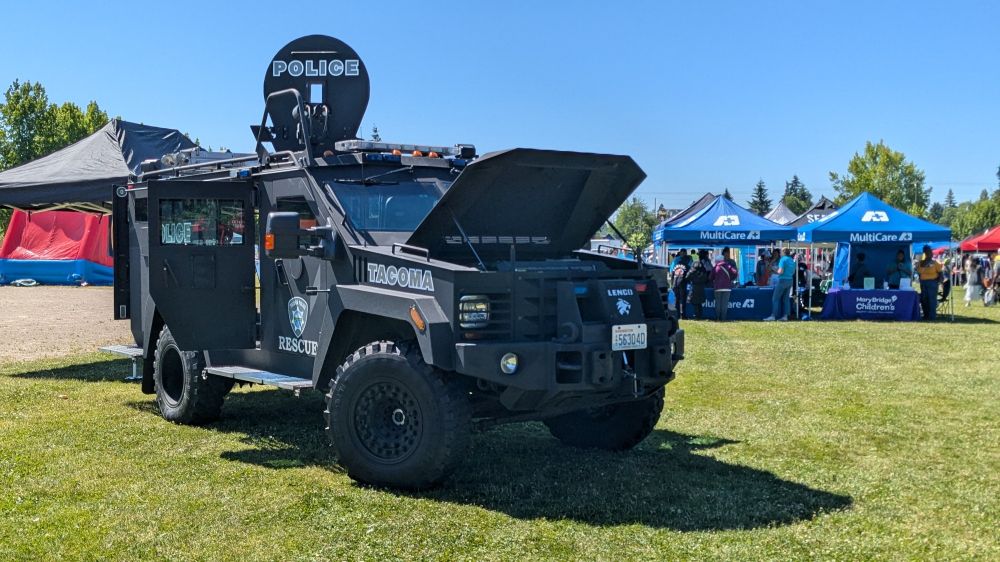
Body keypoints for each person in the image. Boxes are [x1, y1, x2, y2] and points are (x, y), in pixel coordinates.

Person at [764, 248, 795, 321]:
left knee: (775, 298)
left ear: (783, 253)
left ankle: (773, 316)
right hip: (790, 280)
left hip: (782, 280)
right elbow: (793, 272)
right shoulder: (792, 260)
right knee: (786, 299)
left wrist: (773, 269)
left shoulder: (783, 259)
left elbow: (780, 271)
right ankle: (785, 316)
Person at [915, 245, 943, 320]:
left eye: (930, 252)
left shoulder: (935, 263)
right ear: (924, 253)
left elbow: (940, 273)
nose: (929, 253)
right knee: (924, 299)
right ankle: (926, 315)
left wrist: (938, 282)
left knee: (932, 300)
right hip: (923, 283)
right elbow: (919, 272)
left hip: (932, 283)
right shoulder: (921, 262)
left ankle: (932, 316)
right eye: (927, 252)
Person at [710, 254, 738, 321]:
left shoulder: (715, 267)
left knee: (718, 303)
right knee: (724, 304)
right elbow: (735, 273)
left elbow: (710, 277)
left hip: (717, 288)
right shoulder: (728, 266)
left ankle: (717, 318)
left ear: (718, 261)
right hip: (727, 288)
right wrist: (731, 279)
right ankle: (723, 319)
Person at [687, 250, 712, 318]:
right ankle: (699, 315)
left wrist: (691, 280)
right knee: (699, 302)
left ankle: (696, 315)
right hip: (701, 286)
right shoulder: (703, 267)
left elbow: (687, 276)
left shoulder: (694, 266)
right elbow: (707, 277)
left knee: (695, 302)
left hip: (694, 286)